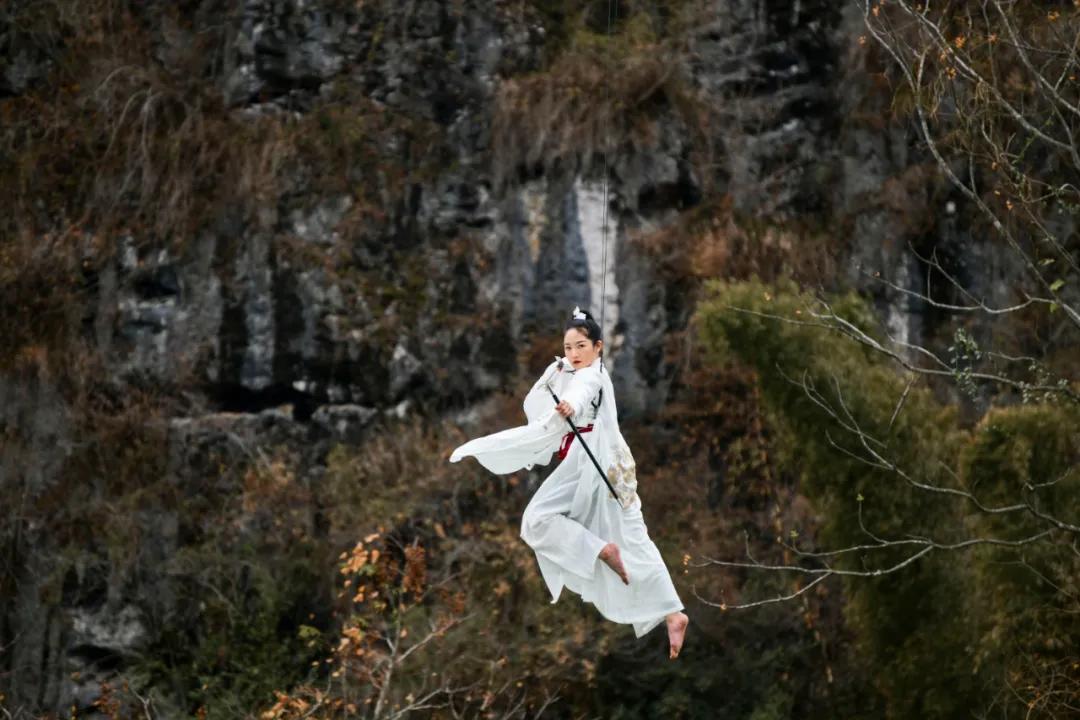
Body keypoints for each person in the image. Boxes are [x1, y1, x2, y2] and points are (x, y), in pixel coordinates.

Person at [449, 306, 689, 659]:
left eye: (581, 346)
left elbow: (582, 390)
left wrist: (570, 406)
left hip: (598, 461)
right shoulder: (568, 369)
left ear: (598, 347)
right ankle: (611, 558)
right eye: (568, 347)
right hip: (584, 461)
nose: (574, 354)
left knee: (626, 530)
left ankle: (670, 610)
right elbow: (551, 393)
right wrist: (560, 379)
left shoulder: (595, 374)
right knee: (541, 522)